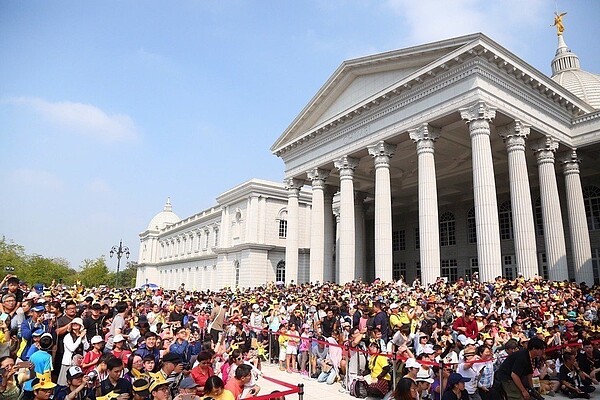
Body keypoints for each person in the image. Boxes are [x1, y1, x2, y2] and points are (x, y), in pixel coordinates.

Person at [58, 318, 88, 386]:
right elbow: (72, 348)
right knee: (65, 383)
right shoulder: (67, 336)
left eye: (77, 323)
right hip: (69, 363)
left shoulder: (82, 335)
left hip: (79, 363)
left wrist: (83, 338)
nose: (75, 324)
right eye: (73, 323)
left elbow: (86, 347)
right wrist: (80, 338)